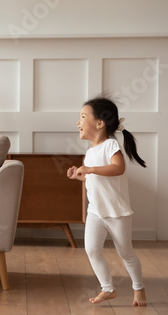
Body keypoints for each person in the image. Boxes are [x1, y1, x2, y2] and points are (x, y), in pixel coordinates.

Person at [67, 96, 147, 306]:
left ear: (100, 123)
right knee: (92, 249)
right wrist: (81, 176)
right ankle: (107, 288)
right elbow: (95, 179)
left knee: (125, 253)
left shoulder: (110, 145)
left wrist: (90, 169)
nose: (78, 121)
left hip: (116, 213)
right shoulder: (90, 152)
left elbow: (118, 168)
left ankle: (139, 289)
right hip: (96, 212)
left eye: (83, 116)